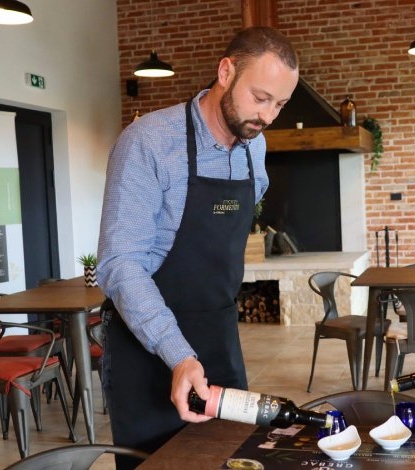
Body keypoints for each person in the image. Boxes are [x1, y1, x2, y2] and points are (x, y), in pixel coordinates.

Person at [97, 27, 299, 467]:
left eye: (280, 104)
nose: (267, 116)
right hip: (148, 349)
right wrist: (178, 353)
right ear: (226, 71)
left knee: (234, 458)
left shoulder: (254, 147)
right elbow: (120, 265)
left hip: (219, 340)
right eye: (260, 97)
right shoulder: (149, 143)